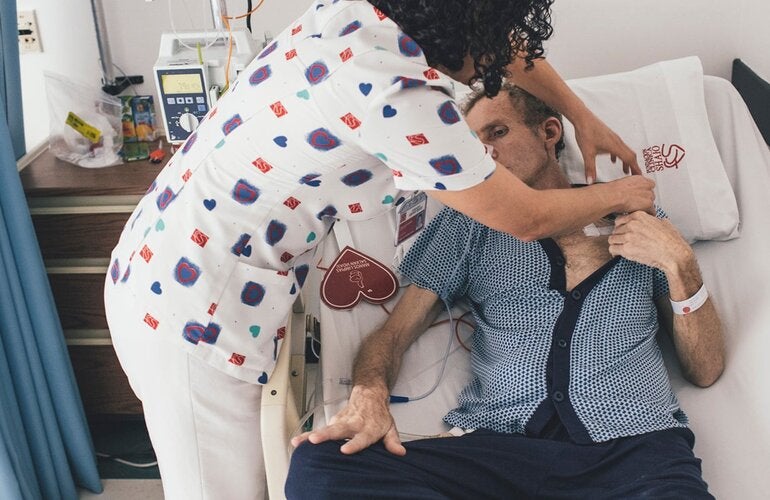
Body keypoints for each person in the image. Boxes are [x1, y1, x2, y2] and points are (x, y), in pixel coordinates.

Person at [103, 1, 656, 498]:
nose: (481, 77)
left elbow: (497, 42)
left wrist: (583, 113)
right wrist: (624, 193)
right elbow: (527, 219)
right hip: (194, 306)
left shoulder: (359, 14)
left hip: (155, 256)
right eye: (478, 68)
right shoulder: (399, 95)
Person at [287, 84, 726, 499]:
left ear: (549, 132)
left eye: (498, 132)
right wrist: (369, 394)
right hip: (500, 453)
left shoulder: (633, 216)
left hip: (633, 455)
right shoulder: (468, 227)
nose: (488, 151)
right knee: (319, 466)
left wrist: (681, 264)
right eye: (477, 144)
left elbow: (705, 370)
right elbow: (393, 334)